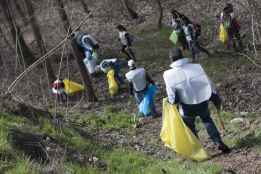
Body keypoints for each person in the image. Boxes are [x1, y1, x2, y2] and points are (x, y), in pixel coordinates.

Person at [163, 48, 230, 153]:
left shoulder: (168, 74)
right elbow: (208, 82)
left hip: (186, 105)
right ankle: (218, 141)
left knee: (190, 126)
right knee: (207, 119)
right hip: (202, 99)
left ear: (171, 59)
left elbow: (171, 94)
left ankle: (199, 150)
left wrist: (172, 103)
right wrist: (215, 96)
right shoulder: (196, 67)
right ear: (182, 55)